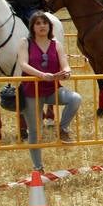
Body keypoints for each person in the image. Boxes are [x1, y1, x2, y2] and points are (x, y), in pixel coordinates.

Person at [17, 11, 82, 173]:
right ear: (32, 27)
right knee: (34, 131)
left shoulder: (56, 44)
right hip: (31, 91)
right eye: (38, 23)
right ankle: (38, 167)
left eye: (44, 23)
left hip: (52, 88)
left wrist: (67, 72)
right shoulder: (25, 42)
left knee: (75, 98)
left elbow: (65, 64)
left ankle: (62, 129)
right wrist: (41, 75)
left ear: (50, 26)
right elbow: (23, 64)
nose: (42, 26)